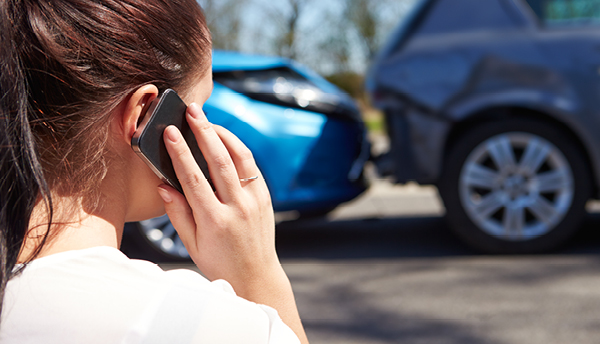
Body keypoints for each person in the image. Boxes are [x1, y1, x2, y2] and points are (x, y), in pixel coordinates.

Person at [0, 0, 309, 343]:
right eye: (199, 108)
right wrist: (260, 277)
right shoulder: (200, 322)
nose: (204, 128)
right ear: (146, 114)